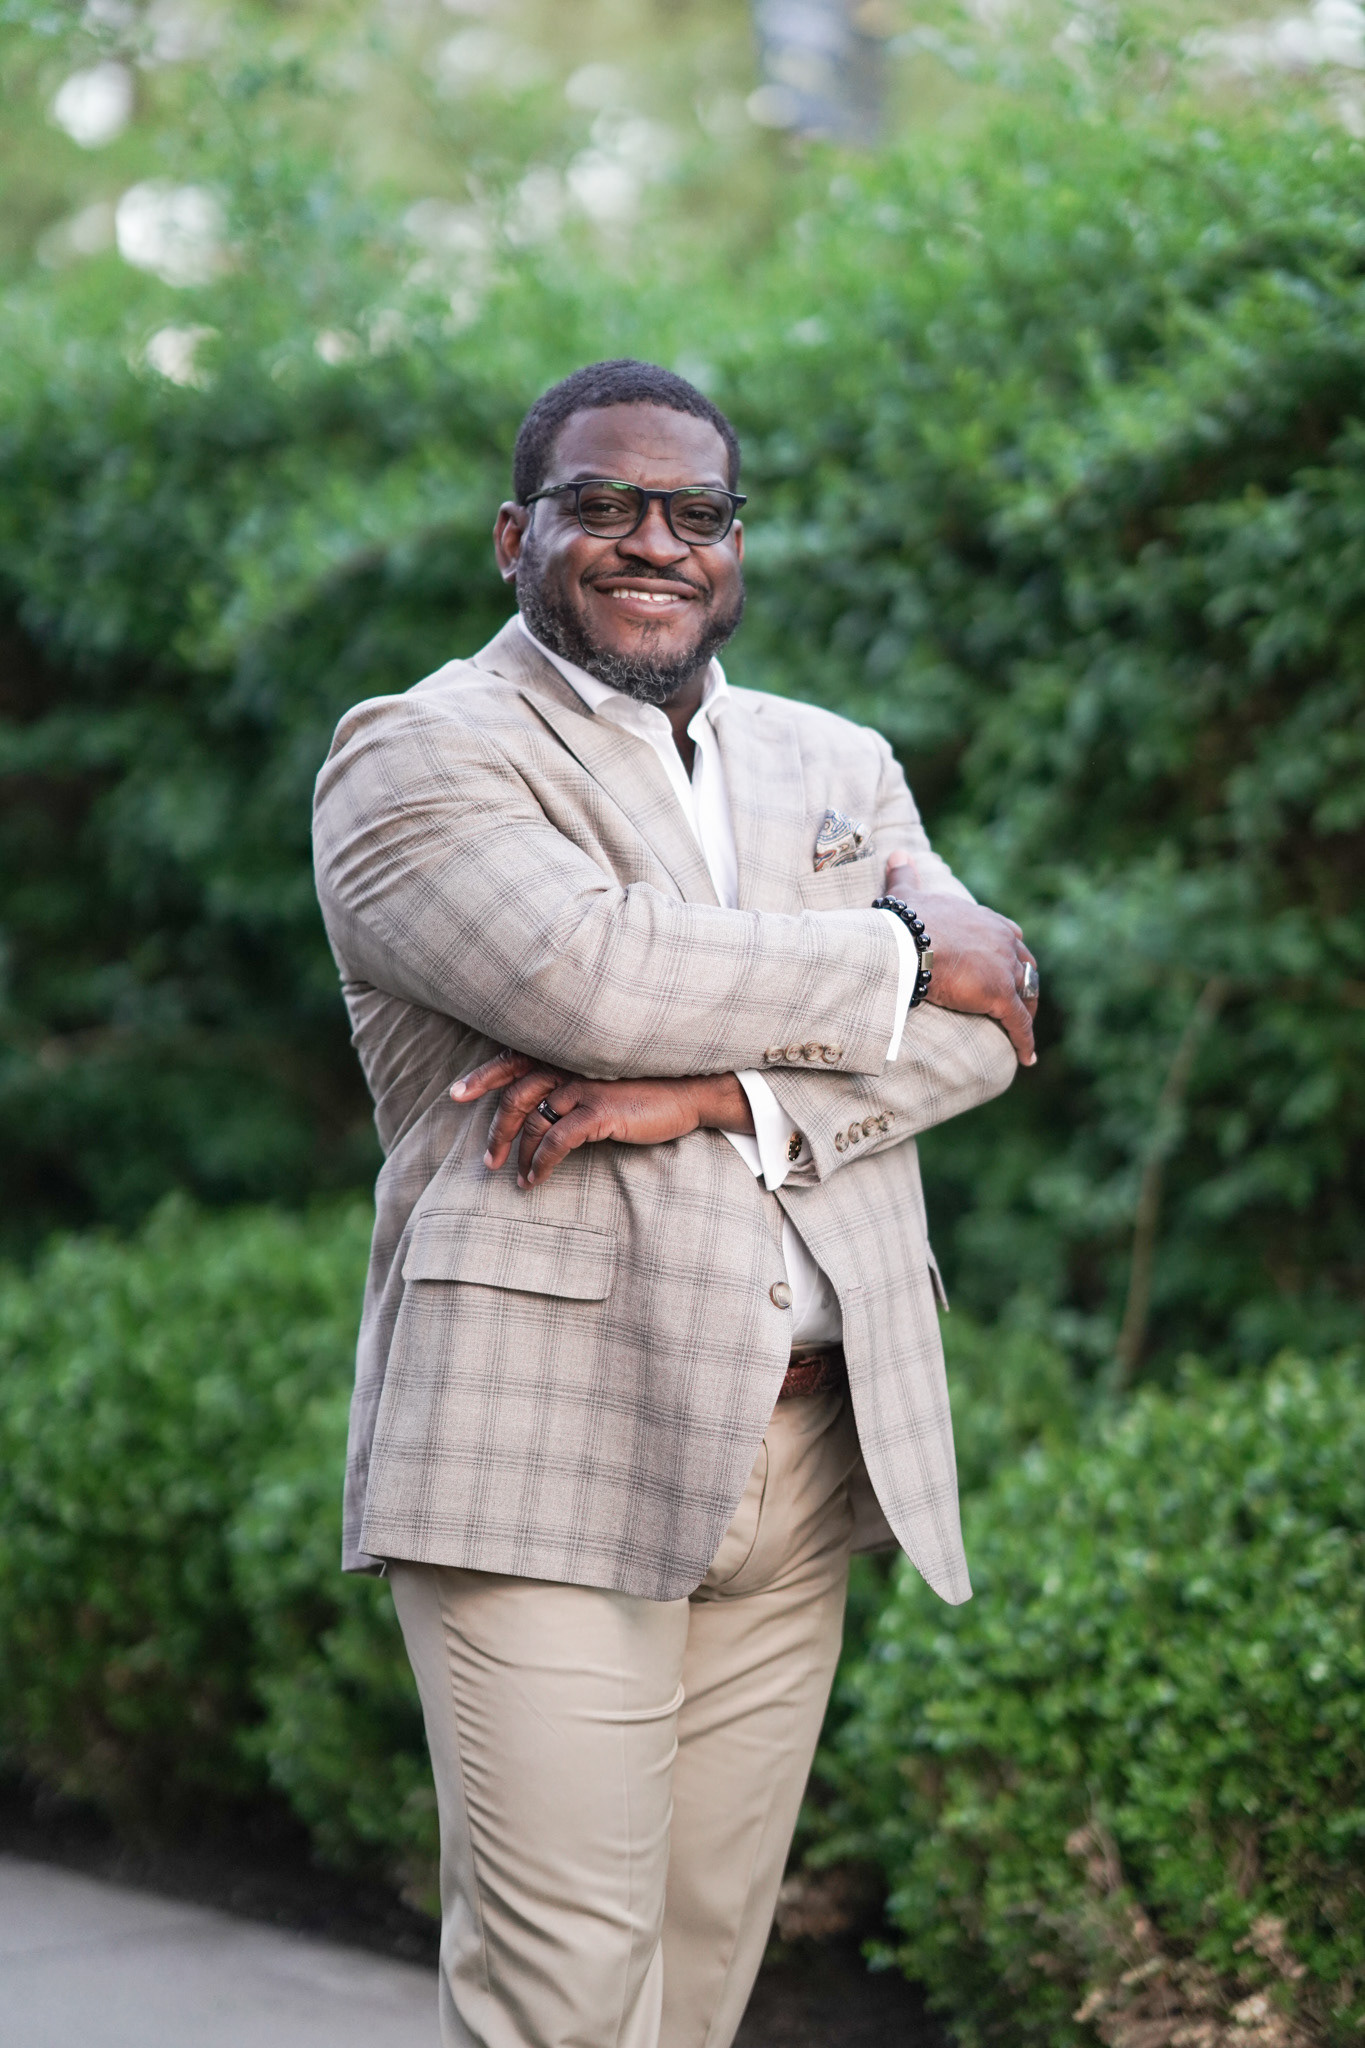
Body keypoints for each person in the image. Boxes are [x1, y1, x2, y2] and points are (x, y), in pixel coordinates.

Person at [312, 358, 1038, 2048]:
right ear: (516, 535)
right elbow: (589, 975)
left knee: (702, 1979)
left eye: (694, 511)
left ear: (735, 544)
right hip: (541, 1439)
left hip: (808, 1445)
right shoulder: (414, 754)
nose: (655, 541)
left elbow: (989, 1036)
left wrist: (719, 1096)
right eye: (602, 504)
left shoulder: (836, 760)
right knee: (566, 1996)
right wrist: (902, 950)